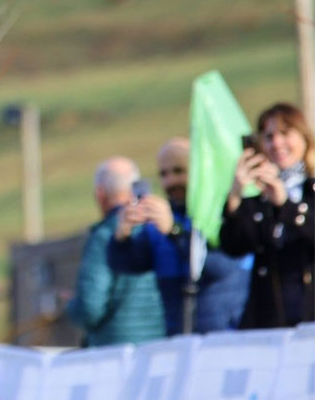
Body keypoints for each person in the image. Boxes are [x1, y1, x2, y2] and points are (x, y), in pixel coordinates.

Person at [109, 138, 251, 334]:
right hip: (180, 338)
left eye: (178, 171)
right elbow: (127, 265)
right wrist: (121, 236)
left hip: (224, 334)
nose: (170, 181)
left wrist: (174, 232)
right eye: (163, 174)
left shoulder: (220, 212)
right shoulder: (161, 220)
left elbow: (221, 266)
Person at [221, 102, 315, 328]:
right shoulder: (260, 196)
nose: (277, 143)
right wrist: (235, 195)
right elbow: (234, 246)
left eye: (285, 133)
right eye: (269, 136)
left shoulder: (309, 190)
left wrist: (287, 206)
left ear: (303, 138)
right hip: (269, 318)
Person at [65, 157, 166, 347]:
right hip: (162, 348)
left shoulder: (104, 236)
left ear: (100, 194)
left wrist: (72, 306)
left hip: (116, 353)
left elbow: (90, 308)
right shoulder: (160, 229)